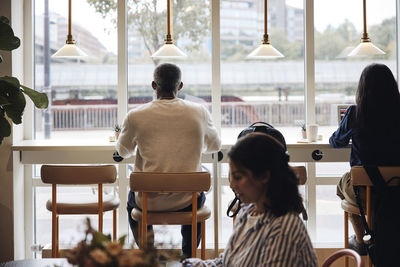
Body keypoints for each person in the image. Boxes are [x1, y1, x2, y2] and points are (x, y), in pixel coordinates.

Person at [116, 63, 221, 257]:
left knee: (131, 202)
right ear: (180, 86)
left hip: (147, 202)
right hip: (187, 202)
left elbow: (123, 151)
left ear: (154, 85)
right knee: (197, 196)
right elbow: (215, 146)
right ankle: (188, 256)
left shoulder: (135, 116)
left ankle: (149, 255)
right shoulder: (199, 112)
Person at [185, 132, 317, 266]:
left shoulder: (282, 229)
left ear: (264, 176)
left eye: (238, 177)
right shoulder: (247, 213)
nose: (232, 185)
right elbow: (226, 263)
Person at [330, 63, 400, 255]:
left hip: (366, 193)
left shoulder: (355, 113)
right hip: (396, 189)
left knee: (342, 184)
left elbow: (335, 142)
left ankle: (363, 241)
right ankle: (384, 235)